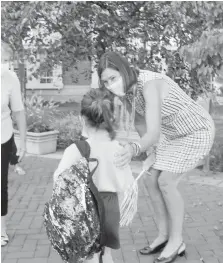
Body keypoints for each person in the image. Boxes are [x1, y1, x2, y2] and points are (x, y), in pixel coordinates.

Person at [97, 51, 215, 263]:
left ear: (124, 70)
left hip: (197, 131)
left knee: (166, 182)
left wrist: (135, 148)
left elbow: (153, 133)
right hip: (173, 135)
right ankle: (163, 236)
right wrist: (150, 151)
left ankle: (177, 241)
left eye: (113, 78)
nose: (110, 85)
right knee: (151, 180)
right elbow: (141, 124)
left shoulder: (151, 85)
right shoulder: (127, 91)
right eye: (105, 82)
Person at [53, 88, 134, 263]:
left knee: (85, 257)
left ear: (82, 118)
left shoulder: (76, 150)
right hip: (111, 210)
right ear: (110, 118)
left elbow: (59, 181)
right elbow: (127, 186)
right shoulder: (120, 150)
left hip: (84, 211)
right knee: (106, 255)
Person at [1, 40, 27, 246]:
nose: (4, 64)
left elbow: (18, 110)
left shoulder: (10, 79)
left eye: (5, 60)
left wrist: (24, 141)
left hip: (3, 135)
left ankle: (1, 230)